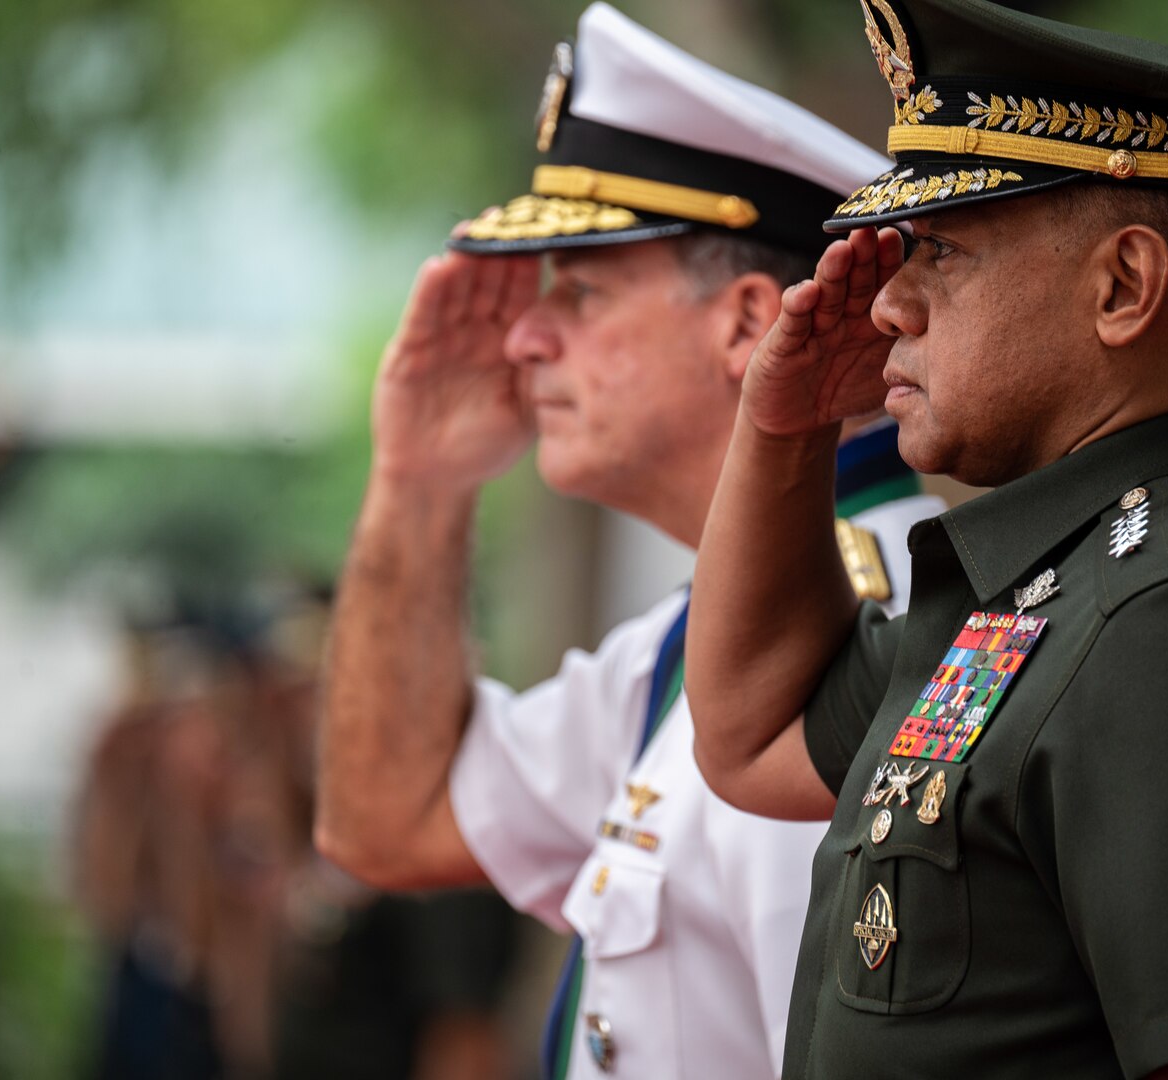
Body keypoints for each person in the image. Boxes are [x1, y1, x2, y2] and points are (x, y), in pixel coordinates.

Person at [685, 1, 1168, 1078]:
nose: (888, 305)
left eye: (943, 253)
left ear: (1122, 287)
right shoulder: (1051, 580)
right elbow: (750, 736)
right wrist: (784, 428)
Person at [313, 6, 943, 1080]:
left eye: (585, 290)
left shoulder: (875, 639)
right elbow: (385, 819)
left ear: (747, 324)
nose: (525, 336)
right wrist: (419, 483)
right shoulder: (681, 651)